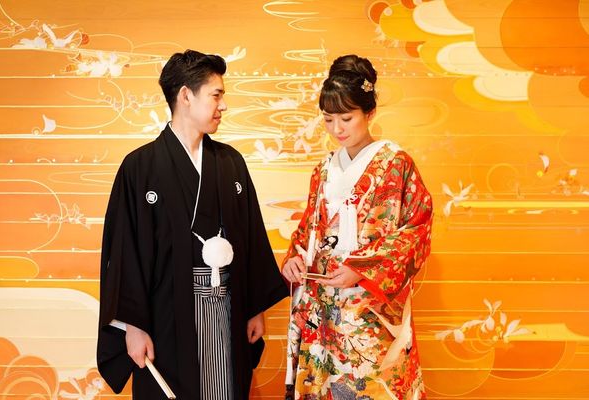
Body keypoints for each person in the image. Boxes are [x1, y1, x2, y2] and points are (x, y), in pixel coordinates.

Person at [97, 49, 288, 400]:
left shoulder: (230, 163)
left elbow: (250, 238)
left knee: (225, 387)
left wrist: (254, 308)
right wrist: (133, 327)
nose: (223, 105)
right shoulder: (139, 167)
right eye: (216, 95)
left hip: (228, 307)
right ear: (186, 96)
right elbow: (124, 253)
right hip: (166, 316)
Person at [281, 54, 433, 399]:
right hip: (323, 305)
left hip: (369, 308)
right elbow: (308, 229)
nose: (337, 129)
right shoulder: (323, 169)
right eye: (328, 119)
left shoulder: (395, 164)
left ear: (370, 112)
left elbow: (417, 229)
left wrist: (361, 269)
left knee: (371, 385)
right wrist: (294, 258)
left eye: (347, 118)